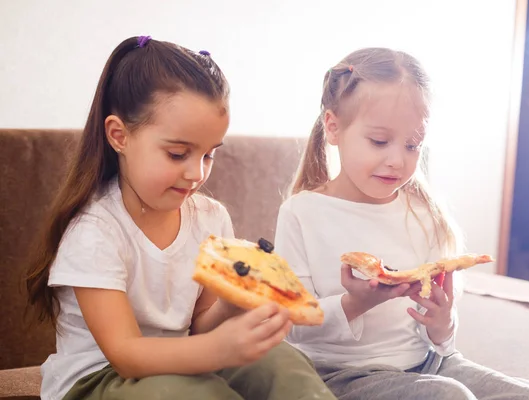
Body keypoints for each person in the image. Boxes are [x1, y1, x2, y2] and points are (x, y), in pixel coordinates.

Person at [25, 35, 336, 400]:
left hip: (185, 362)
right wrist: (218, 349)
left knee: (282, 362)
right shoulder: (95, 232)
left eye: (208, 155)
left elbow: (199, 326)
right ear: (119, 136)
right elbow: (126, 355)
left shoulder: (209, 218)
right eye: (177, 154)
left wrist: (229, 306)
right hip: (100, 379)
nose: (197, 174)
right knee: (188, 393)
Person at [274, 47, 529, 400]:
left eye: (412, 145)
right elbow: (292, 324)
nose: (397, 160)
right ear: (333, 127)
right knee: (449, 396)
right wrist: (355, 303)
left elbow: (440, 339)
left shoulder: (425, 216)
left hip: (428, 364)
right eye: (379, 141)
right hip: (342, 374)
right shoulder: (302, 213)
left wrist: (442, 323)